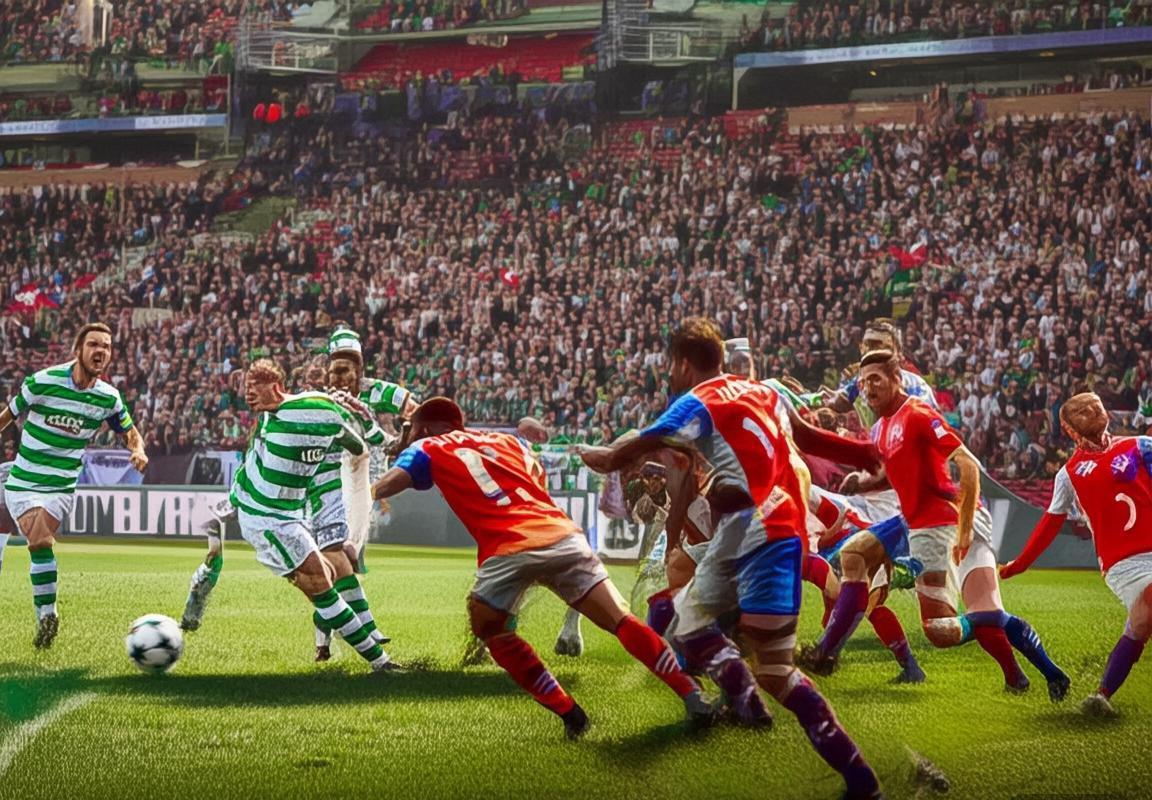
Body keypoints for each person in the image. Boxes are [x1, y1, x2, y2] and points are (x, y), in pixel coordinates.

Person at [581, 318, 882, 799]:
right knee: (734, 646)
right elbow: (807, 437)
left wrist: (603, 458)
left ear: (683, 363)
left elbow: (642, 443)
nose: (670, 374)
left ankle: (748, 699)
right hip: (782, 528)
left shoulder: (696, 401)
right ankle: (852, 774)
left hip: (751, 531)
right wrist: (863, 451)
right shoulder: (764, 391)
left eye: (670, 365)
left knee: (706, 635)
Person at [370, 396, 716, 739]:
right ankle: (692, 694)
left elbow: (386, 485)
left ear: (425, 428)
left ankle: (571, 714)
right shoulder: (510, 442)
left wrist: (369, 487)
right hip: (562, 534)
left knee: (490, 627)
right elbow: (536, 478)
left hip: (508, 545)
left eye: (411, 429)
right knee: (621, 619)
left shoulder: (428, 445)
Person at [855, 350, 1068, 698]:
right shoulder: (881, 429)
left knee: (946, 627)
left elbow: (968, 464)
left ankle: (1040, 670)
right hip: (929, 526)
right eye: (863, 382)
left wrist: (965, 528)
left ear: (897, 379)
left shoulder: (918, 414)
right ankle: (1024, 677)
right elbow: (893, 476)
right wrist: (860, 483)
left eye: (875, 379)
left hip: (952, 522)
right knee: (975, 617)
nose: (868, 388)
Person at [230, 358, 397, 672]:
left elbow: (354, 440)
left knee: (336, 571)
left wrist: (370, 450)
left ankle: (365, 647)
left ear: (277, 386)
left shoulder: (318, 409)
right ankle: (376, 659)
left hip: (303, 511)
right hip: (270, 519)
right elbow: (251, 463)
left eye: (255, 386)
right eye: (246, 387)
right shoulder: (266, 422)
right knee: (323, 580)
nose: (248, 394)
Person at [1000, 393, 1152, 716]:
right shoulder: (1069, 474)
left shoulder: (1141, 446)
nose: (1093, 409)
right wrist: (1019, 565)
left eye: (1096, 405)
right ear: (1069, 429)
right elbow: (1049, 524)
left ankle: (1101, 696)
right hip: (1125, 563)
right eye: (1082, 410)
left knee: (1141, 622)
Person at [0, 323, 148, 648]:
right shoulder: (43, 382)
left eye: (106, 347)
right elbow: (8, 415)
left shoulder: (108, 398)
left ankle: (46, 616)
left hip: (62, 486)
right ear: (77, 350)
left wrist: (137, 449)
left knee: (40, 539)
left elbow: (129, 431)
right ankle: (47, 615)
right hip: (24, 481)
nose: (101, 351)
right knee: (39, 542)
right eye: (94, 344)